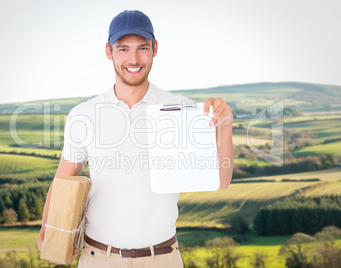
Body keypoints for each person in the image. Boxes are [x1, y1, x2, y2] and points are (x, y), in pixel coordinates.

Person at [38, 10, 233, 268]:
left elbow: (220, 180)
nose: (134, 58)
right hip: (98, 259)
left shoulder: (181, 110)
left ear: (155, 49)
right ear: (109, 51)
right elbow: (63, 179)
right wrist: (49, 232)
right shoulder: (84, 114)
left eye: (142, 48)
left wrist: (225, 124)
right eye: (123, 49)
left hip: (163, 259)